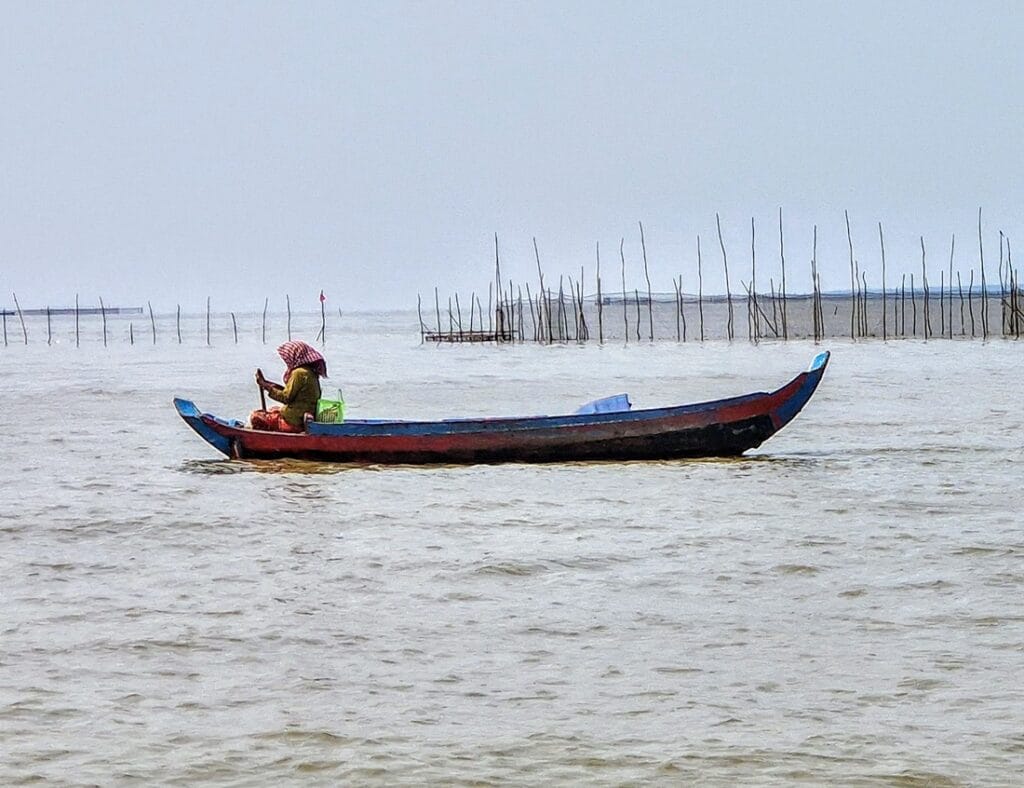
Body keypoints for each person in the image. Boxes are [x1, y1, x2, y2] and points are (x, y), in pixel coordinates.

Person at [250, 340, 328, 432]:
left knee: (255, 416)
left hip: (294, 421)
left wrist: (265, 386)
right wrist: (267, 384)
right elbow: (290, 392)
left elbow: (286, 397)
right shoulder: (309, 372)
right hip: (302, 415)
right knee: (273, 409)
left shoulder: (299, 373)